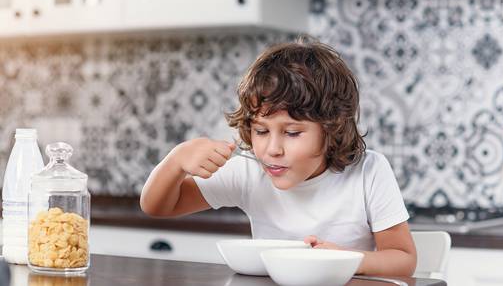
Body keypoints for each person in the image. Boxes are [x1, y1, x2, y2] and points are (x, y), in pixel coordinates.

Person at [140, 38, 417, 276]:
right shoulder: (250, 173)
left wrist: (345, 260)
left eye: (292, 133)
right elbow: (158, 206)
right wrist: (176, 162)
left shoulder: (368, 172)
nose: (272, 149)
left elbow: (403, 259)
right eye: (261, 131)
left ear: (332, 129)